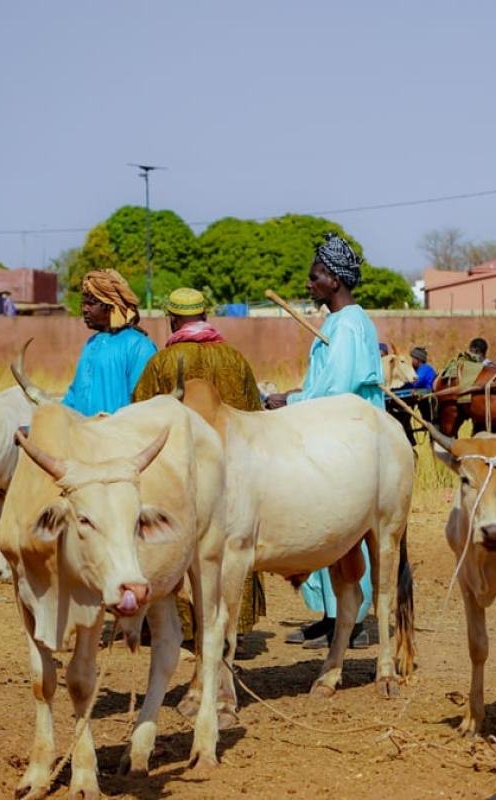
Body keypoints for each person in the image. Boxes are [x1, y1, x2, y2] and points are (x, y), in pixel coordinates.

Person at [265, 234, 381, 649]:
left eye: (315, 277)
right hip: (326, 433)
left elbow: (339, 387)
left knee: (344, 529)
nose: (309, 284)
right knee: (325, 525)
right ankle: (332, 616)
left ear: (334, 279)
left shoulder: (350, 324)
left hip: (347, 438)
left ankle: (354, 621)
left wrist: (290, 400)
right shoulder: (336, 322)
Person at [132, 287, 265, 647]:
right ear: (205, 316)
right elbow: (255, 416)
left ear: (172, 318)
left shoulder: (161, 364)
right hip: (233, 472)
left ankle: (188, 629)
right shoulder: (234, 359)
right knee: (231, 545)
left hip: (182, 477)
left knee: (187, 547)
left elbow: (141, 417)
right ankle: (231, 626)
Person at [62, 270, 157, 416]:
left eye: (91, 304)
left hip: (117, 436)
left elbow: (144, 405)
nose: (84, 309)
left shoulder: (139, 346)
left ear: (111, 306)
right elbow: (73, 398)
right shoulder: (91, 344)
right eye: (84, 303)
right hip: (82, 435)